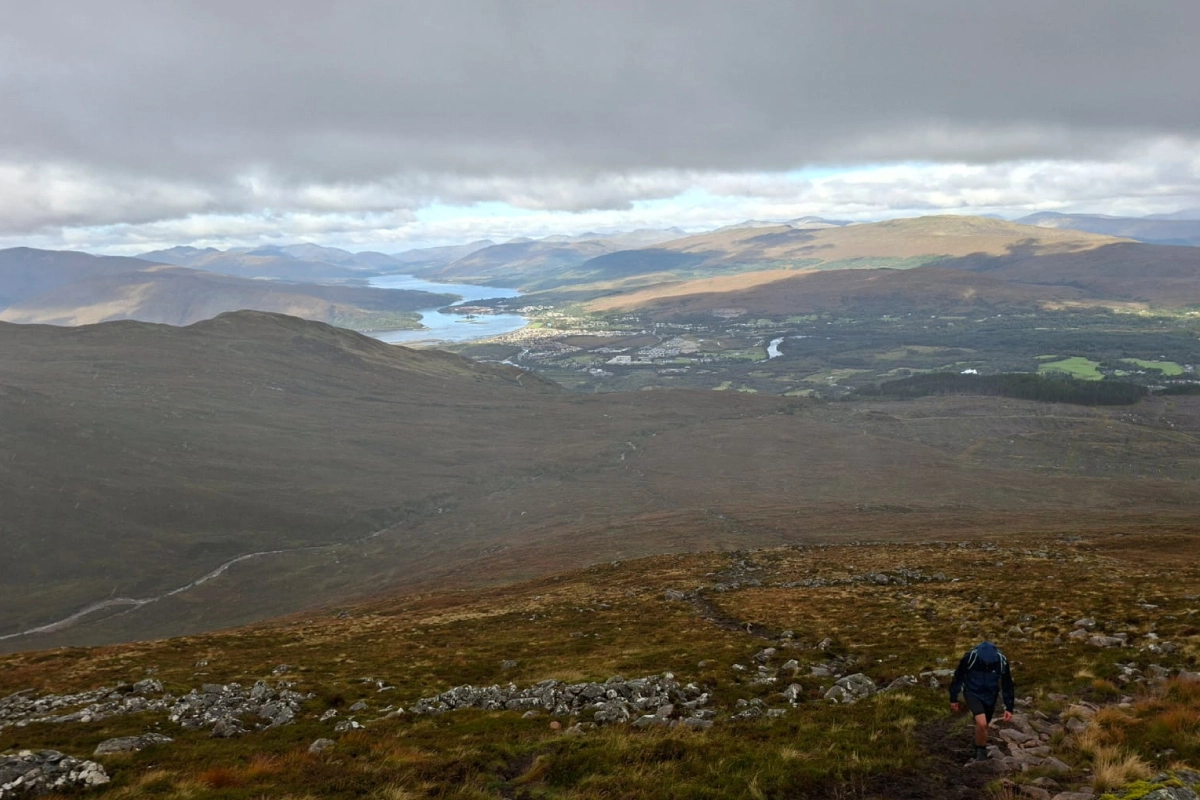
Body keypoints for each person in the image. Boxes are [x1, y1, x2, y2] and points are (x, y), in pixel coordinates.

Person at [949, 641, 1015, 761]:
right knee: (982, 723)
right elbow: (958, 677)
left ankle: (977, 745)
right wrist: (954, 698)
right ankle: (981, 753)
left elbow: (1007, 684)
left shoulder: (1001, 661)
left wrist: (1009, 707)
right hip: (972, 692)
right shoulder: (970, 658)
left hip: (991, 696)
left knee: (984, 725)